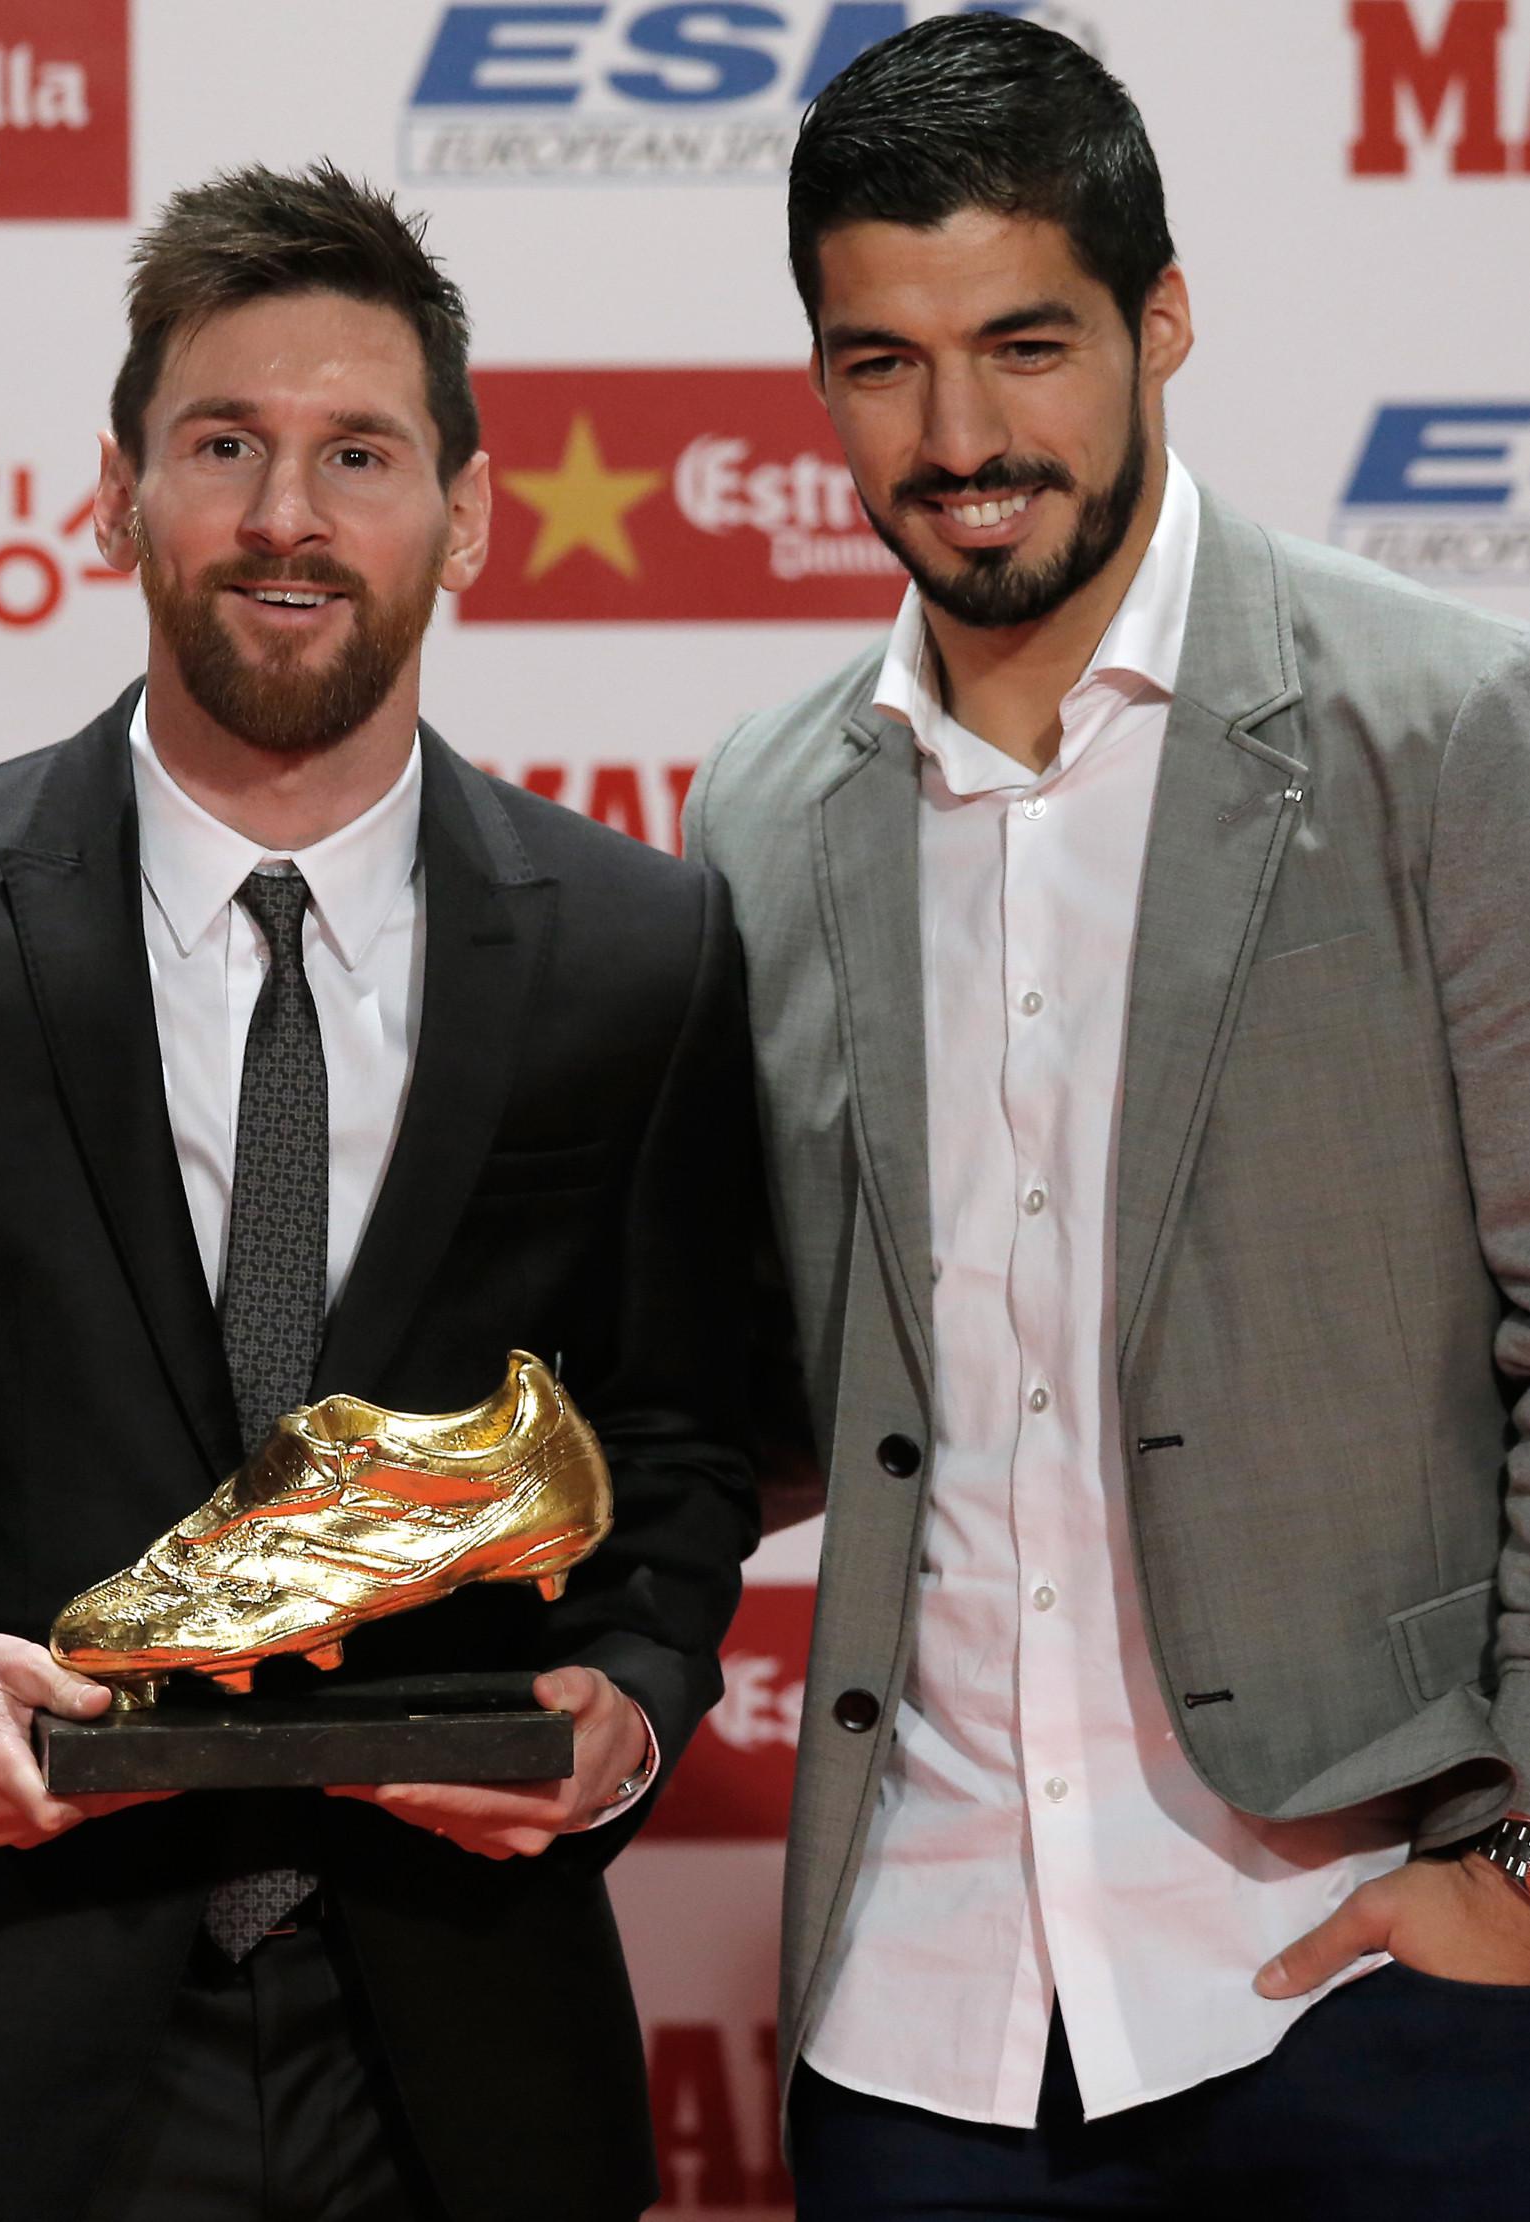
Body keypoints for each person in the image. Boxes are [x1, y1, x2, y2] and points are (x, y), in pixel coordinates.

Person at [0, 162, 757, 2222]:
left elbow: (671, 1427)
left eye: (357, 452)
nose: (287, 512)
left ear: (466, 513)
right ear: (118, 489)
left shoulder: (633, 948)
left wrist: (633, 1705)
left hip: (466, 2065)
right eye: (225, 444)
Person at [684, 14, 1530, 2217]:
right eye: (879, 362)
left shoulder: (1436, 728)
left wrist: (1518, 1844)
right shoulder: (759, 814)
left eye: (1026, 343)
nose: (960, 435)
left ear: (1162, 319)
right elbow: (767, 1383)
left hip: (1364, 1988)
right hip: (920, 2014)